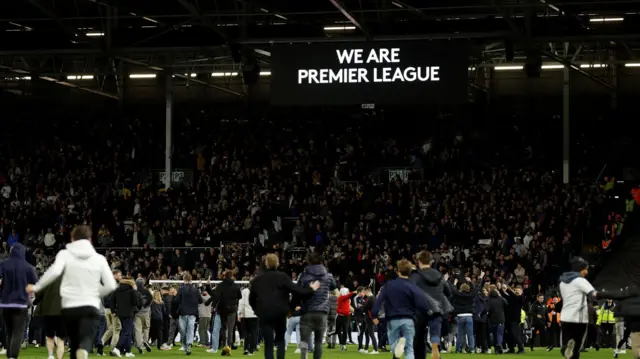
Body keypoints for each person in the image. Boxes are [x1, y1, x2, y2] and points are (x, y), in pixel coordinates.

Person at [27, 225, 117, 359]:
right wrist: (95, 293)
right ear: (90, 240)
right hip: (90, 305)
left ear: (72, 239)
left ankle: (77, 351)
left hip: (70, 306)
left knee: (74, 341)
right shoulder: (99, 259)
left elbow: (53, 272)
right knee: (87, 335)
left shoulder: (64, 255)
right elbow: (111, 285)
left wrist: (35, 287)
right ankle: (85, 350)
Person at [249, 253, 319, 359]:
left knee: (268, 344)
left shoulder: (257, 280)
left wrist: (257, 311)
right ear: (277, 263)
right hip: (280, 313)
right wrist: (311, 289)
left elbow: (251, 300)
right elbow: (297, 291)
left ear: (266, 263)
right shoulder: (283, 277)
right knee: (280, 341)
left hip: (265, 314)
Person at [371, 259, 431, 359]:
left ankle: (398, 346)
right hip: (408, 319)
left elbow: (379, 300)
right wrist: (426, 314)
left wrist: (374, 315)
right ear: (410, 271)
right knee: (410, 350)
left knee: (394, 348)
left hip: (392, 319)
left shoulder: (388, 285)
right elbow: (423, 304)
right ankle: (402, 345)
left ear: (397, 271)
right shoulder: (413, 286)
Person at [410, 250, 452, 359]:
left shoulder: (415, 276)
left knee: (419, 336)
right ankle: (435, 347)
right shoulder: (439, 275)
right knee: (435, 329)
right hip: (437, 308)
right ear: (431, 262)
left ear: (418, 261)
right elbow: (448, 293)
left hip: (419, 309)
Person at [0, 244, 38, 359]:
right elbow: (36, 285)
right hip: (20, 303)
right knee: (18, 331)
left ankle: (9, 354)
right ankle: (12, 356)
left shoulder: (3, 264)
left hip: (5, 303)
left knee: (9, 331)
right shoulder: (28, 267)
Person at [297, 252, 337, 359]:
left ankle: (304, 357)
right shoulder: (329, 276)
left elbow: (298, 292)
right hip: (322, 312)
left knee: (304, 341)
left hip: (307, 311)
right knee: (318, 342)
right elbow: (336, 292)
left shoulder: (304, 276)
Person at [209, 271, 241, 355]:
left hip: (222, 309)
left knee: (223, 329)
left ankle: (224, 347)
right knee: (230, 330)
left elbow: (216, 296)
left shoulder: (220, 285)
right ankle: (229, 347)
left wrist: (213, 305)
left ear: (224, 276)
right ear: (232, 276)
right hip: (232, 310)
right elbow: (240, 296)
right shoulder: (236, 286)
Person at [33, 274, 65, 359]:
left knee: (50, 336)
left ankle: (50, 355)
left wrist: (36, 301)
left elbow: (39, 292)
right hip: (63, 312)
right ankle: (59, 357)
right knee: (60, 338)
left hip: (49, 311)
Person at [174, 273, 202, 356]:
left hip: (183, 312)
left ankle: (186, 345)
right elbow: (200, 300)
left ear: (184, 279)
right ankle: (188, 344)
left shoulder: (181, 289)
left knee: (183, 330)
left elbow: (176, 300)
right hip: (193, 312)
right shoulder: (195, 289)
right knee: (190, 328)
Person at [111, 277, 140, 357]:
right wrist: (135, 292)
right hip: (129, 313)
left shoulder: (117, 290)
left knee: (127, 331)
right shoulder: (131, 291)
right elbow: (136, 302)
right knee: (126, 331)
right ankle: (117, 348)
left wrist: (113, 311)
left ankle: (128, 351)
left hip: (120, 313)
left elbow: (112, 300)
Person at [101, 270, 122, 352]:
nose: (120, 277)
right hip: (113, 310)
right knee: (117, 328)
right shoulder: (115, 285)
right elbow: (114, 298)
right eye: (119, 275)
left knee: (110, 328)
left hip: (106, 309)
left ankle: (101, 342)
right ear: (114, 275)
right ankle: (113, 348)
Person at [486, 285, 507, 354]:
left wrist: (483, 314)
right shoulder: (501, 299)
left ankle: (496, 348)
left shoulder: (489, 300)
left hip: (493, 320)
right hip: (501, 319)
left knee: (495, 334)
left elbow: (487, 309)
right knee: (500, 334)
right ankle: (499, 345)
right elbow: (506, 304)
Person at [134, 278, 152, 354]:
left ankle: (139, 345)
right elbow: (150, 299)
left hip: (137, 313)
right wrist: (144, 306)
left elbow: (133, 301)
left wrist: (138, 308)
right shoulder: (146, 291)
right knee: (146, 327)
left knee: (138, 329)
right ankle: (145, 341)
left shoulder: (134, 292)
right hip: (145, 312)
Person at [238, 284, 258, 356]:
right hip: (255, 315)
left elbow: (241, 303)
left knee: (246, 332)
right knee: (253, 333)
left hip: (247, 315)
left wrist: (240, 313)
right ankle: (251, 350)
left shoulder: (245, 291)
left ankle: (246, 349)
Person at [361, 287, 379, 354]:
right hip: (371, 317)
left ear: (367, 291)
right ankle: (366, 348)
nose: (364, 293)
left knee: (371, 333)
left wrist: (362, 308)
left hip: (370, 318)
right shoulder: (373, 298)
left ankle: (375, 349)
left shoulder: (370, 298)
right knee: (367, 332)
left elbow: (366, 308)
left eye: (364, 292)